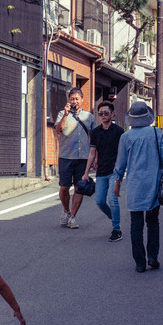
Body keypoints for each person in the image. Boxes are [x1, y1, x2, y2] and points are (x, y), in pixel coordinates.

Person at [113, 101, 163, 272]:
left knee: (136, 223)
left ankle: (139, 262)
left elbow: (120, 164)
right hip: (153, 183)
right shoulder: (156, 132)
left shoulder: (126, 137)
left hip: (134, 185)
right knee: (153, 222)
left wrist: (117, 184)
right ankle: (153, 257)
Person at [53, 88, 96, 229]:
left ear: (82, 100)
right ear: (69, 100)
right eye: (72, 99)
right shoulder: (62, 114)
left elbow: (94, 139)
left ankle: (72, 216)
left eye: (77, 99)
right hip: (66, 156)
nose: (74, 101)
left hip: (83, 158)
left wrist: (96, 158)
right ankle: (65, 210)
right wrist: (65, 115)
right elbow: (59, 130)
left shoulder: (89, 117)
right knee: (64, 187)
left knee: (80, 187)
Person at [86, 100, 124, 242]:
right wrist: (85, 172)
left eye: (106, 113)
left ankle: (116, 229)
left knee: (113, 199)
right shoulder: (95, 132)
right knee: (100, 201)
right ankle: (114, 217)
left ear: (112, 114)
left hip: (115, 171)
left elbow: (123, 152)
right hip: (101, 171)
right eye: (100, 113)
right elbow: (92, 153)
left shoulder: (119, 132)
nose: (103, 116)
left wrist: (122, 170)